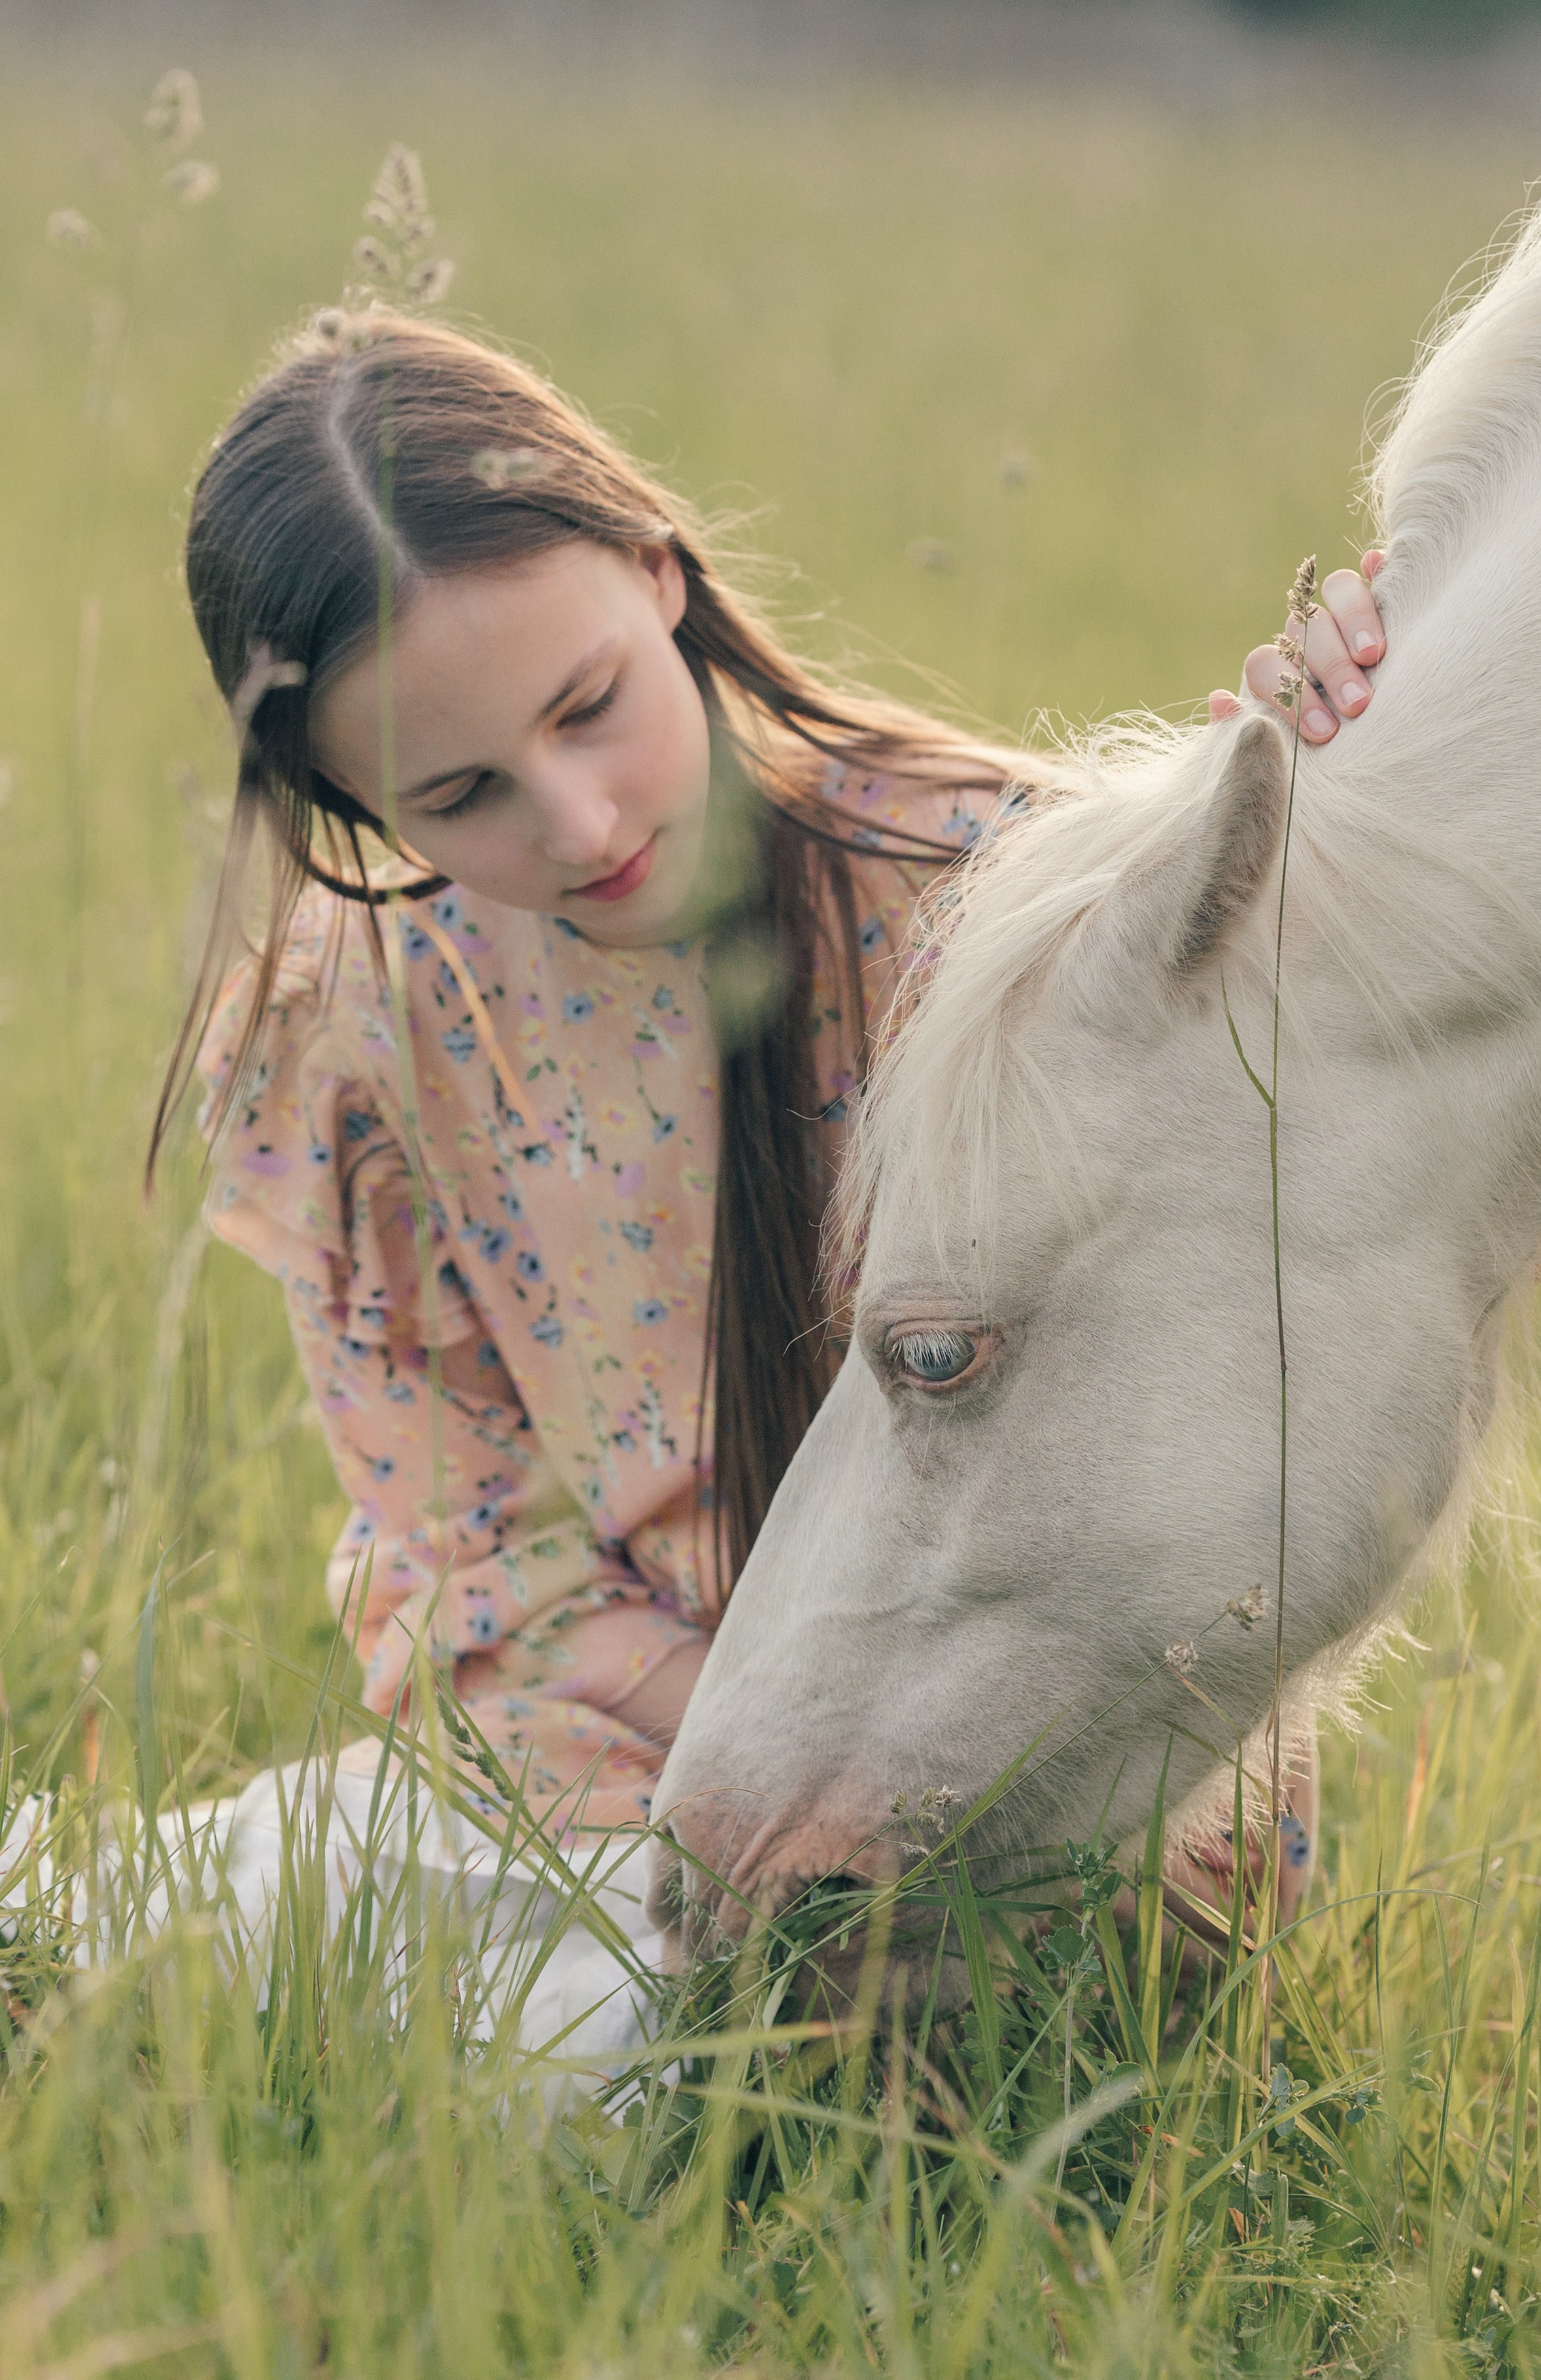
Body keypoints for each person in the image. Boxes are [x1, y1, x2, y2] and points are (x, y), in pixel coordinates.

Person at [154, 304, 1385, 1872]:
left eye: (587, 704)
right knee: (210, 1918)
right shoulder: (353, 1033)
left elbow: (1241, 1384)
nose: (582, 822)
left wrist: (1310, 789)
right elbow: (475, 1565)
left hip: (1031, 1771)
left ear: (657, 566)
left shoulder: (1000, 897)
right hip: (631, 1764)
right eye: (460, 795)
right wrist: (760, 1770)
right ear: (349, 796)